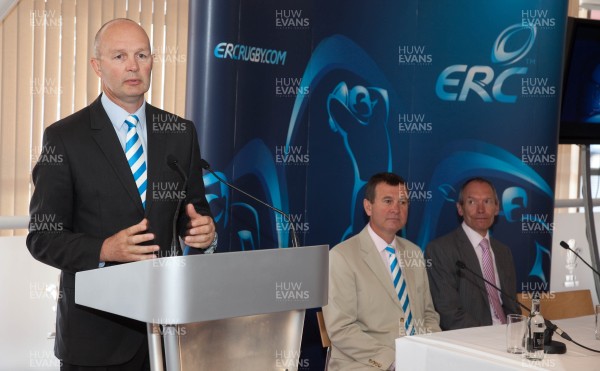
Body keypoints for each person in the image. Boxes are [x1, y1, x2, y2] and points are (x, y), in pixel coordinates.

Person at [26, 18, 217, 369]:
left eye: (142, 54)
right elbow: (42, 237)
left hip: (167, 335)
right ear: (97, 66)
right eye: (120, 56)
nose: (133, 65)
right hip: (95, 339)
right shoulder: (65, 138)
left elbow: (195, 215)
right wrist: (103, 249)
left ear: (152, 61)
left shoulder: (180, 132)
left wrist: (205, 233)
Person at [322, 172, 440, 370]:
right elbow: (341, 328)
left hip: (417, 360)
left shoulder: (414, 253)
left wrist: (431, 349)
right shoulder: (342, 257)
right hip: (365, 364)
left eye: (403, 202)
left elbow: (428, 314)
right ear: (368, 207)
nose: (396, 208)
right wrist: (394, 360)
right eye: (388, 201)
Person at [425, 177, 520, 331]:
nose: (481, 210)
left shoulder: (504, 252)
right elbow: (449, 313)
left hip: (508, 339)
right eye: (472, 202)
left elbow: (513, 308)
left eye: (487, 202)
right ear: (460, 208)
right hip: (472, 340)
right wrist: (490, 337)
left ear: (496, 208)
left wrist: (516, 334)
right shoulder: (440, 250)